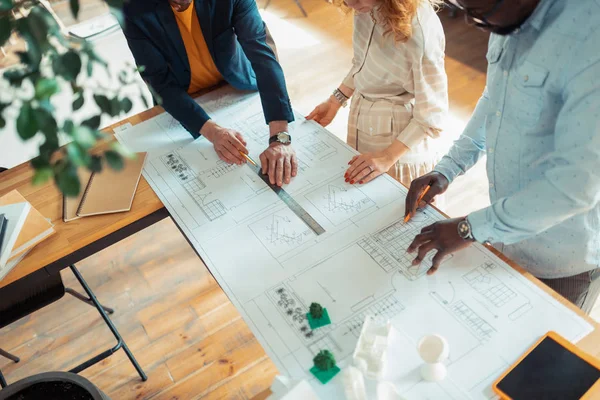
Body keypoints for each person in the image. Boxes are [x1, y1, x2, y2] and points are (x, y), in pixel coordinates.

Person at [405, 0, 600, 313]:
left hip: (563, 260)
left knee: (541, 360)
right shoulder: (502, 16)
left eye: (479, 10)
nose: (470, 21)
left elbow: (574, 187)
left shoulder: (590, 38)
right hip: (507, 236)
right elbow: (495, 100)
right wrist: (449, 167)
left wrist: (468, 229)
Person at [122, 0, 297, 187]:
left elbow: (262, 53)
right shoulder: (131, 8)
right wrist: (212, 131)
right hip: (183, 97)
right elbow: (159, 81)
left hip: (234, 84)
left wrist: (280, 136)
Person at [307, 0, 448, 188]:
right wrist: (335, 100)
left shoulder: (420, 30)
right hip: (364, 127)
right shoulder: (366, 7)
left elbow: (432, 114)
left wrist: (388, 156)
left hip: (399, 147)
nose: (349, 3)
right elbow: (362, 63)